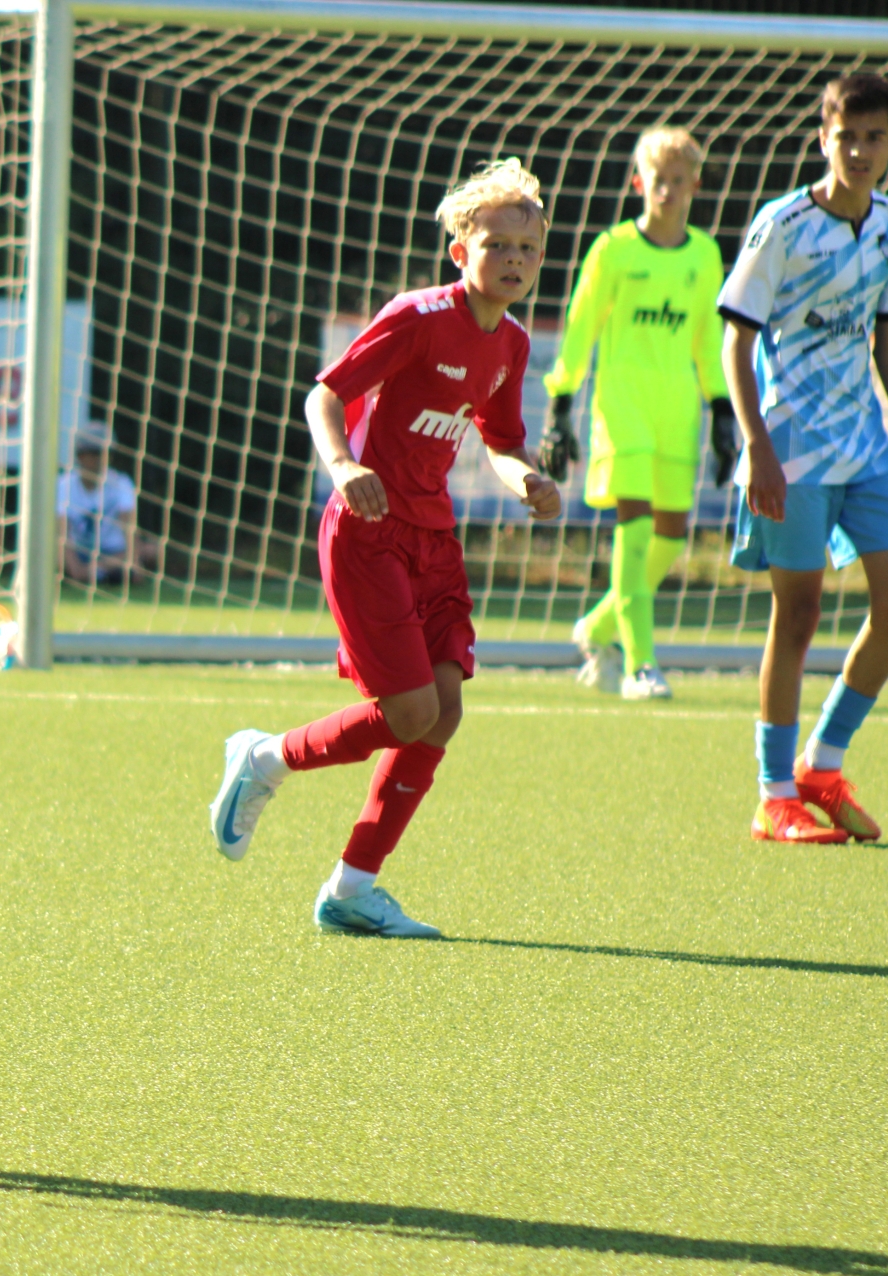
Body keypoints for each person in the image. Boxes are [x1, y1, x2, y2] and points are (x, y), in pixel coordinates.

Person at [208, 159, 560, 938]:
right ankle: (263, 759)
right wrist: (342, 467)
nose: (514, 259)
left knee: (442, 712)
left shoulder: (511, 343)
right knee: (408, 712)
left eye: (528, 248)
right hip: (366, 534)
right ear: (459, 250)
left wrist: (527, 480)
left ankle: (352, 887)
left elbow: (501, 441)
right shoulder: (418, 316)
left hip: (433, 539)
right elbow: (324, 395)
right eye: (496, 244)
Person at [719, 73, 888, 845]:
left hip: (865, 445)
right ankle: (774, 792)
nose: (859, 150)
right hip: (792, 447)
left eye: (875, 137)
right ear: (823, 138)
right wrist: (756, 444)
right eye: (846, 136)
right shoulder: (781, 225)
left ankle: (823, 762)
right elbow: (736, 341)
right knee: (800, 613)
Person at [541, 127, 738, 700]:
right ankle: (640, 666)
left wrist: (721, 410)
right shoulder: (613, 249)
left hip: (677, 413)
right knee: (634, 532)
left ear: (695, 185)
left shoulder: (705, 255)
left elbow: (707, 339)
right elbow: (581, 327)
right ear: (638, 183)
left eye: (678, 181)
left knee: (670, 539)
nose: (667, 191)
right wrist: (560, 404)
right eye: (658, 181)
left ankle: (598, 627)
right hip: (621, 411)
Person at [57, 425, 156, 585]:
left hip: (114, 553)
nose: (101, 459)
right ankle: (105, 574)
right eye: (95, 453)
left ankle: (100, 572)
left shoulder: (121, 483)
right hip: (80, 552)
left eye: (106, 453)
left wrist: (133, 561)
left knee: (153, 550)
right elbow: (62, 532)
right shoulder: (63, 485)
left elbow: (129, 529)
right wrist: (76, 569)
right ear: (80, 456)